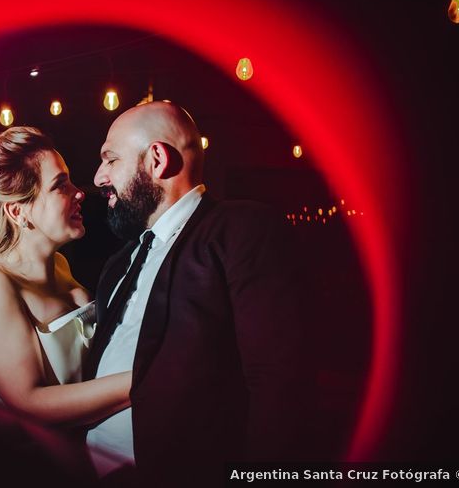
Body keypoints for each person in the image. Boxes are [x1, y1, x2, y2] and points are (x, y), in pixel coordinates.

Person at [85, 101, 302, 485]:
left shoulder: (239, 231)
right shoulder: (120, 261)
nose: (100, 177)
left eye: (111, 159)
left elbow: (277, 382)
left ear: (156, 159)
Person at [0, 126, 132, 427]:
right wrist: (142, 380)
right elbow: (30, 403)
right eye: (59, 185)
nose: (79, 192)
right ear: (18, 212)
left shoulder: (60, 265)